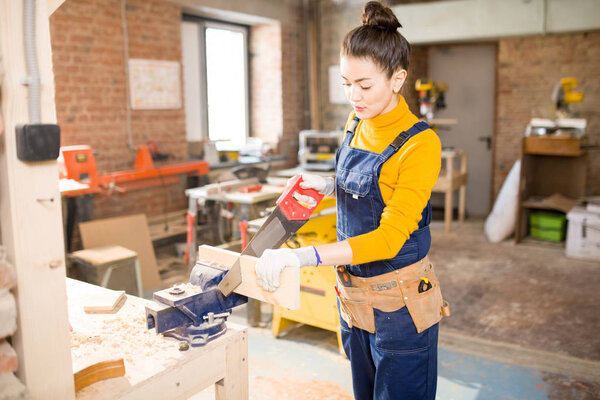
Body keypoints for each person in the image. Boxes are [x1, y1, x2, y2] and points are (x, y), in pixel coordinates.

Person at [255, 2, 449, 399]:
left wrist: (300, 257)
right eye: (346, 83)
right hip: (353, 300)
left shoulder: (420, 144)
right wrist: (328, 183)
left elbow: (388, 239)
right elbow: (369, 183)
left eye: (364, 85)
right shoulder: (357, 121)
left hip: (399, 308)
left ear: (397, 79)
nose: (353, 97)